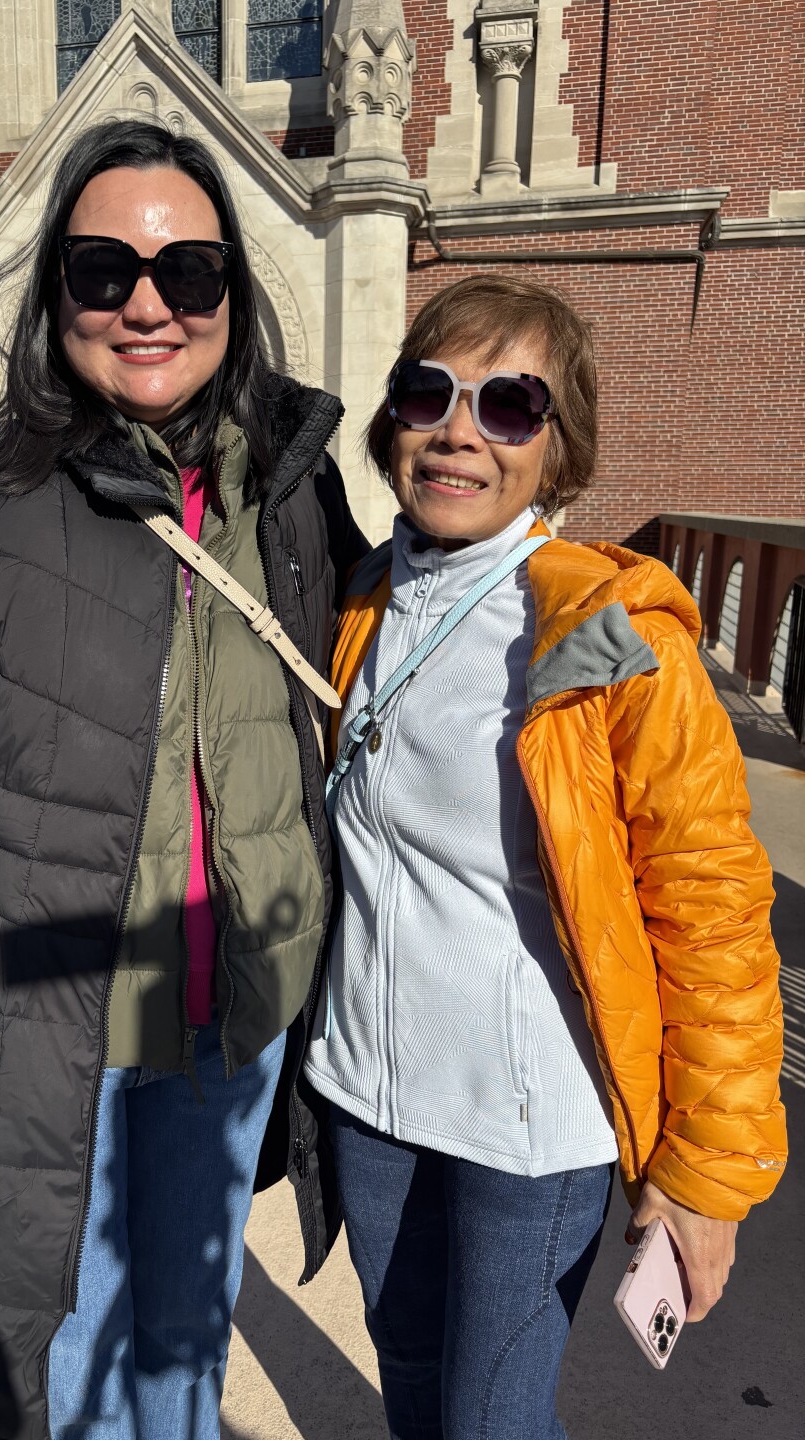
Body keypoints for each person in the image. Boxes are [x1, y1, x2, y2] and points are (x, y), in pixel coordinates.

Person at [0, 118, 364, 1440]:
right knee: (68, 1348)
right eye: (102, 270)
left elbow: (377, 667)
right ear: (53, 289)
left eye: (189, 274)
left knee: (183, 1327)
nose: (147, 305)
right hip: (56, 1032)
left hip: (238, 1008)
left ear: (235, 291)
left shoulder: (292, 483)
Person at [302, 274, 787, 1439]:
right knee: (412, 1386)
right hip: (367, 1097)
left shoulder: (610, 636)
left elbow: (713, 915)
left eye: (510, 406)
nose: (461, 431)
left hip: (531, 1128)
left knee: (491, 1423)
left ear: (559, 451)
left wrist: (708, 1178)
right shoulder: (362, 597)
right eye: (431, 394)